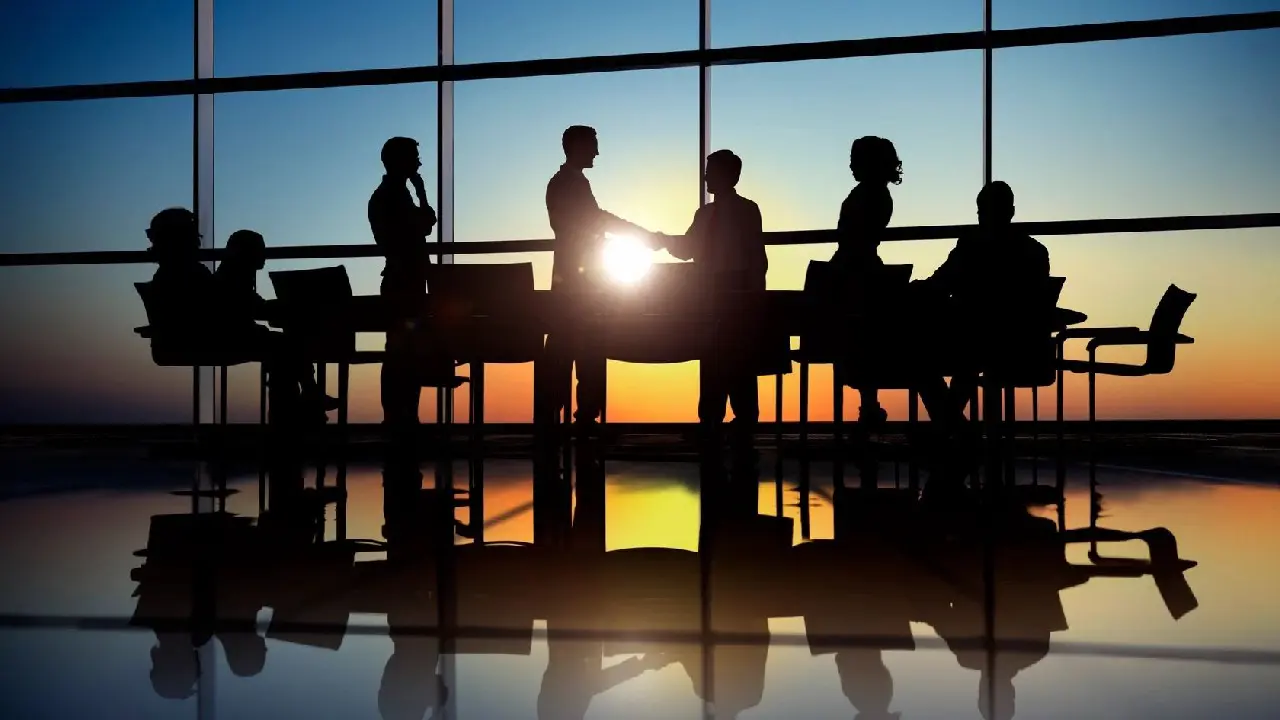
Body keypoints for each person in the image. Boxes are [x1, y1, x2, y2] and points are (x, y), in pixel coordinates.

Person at [539, 125, 655, 429]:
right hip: (579, 283)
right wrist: (643, 235)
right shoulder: (569, 184)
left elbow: (587, 223)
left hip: (573, 279)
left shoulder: (565, 183)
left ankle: (562, 414)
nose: (597, 152)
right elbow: (594, 221)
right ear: (577, 146)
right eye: (593, 145)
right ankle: (582, 416)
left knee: (569, 347)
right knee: (582, 346)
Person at [912, 181, 1051, 425]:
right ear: (1011, 212)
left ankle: (951, 431)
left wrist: (918, 289)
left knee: (920, 359)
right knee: (967, 357)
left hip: (974, 341)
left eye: (982, 212)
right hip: (1022, 347)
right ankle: (951, 432)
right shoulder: (1035, 251)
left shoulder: (970, 247)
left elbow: (941, 283)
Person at [664, 149, 767, 451]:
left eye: (710, 171)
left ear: (728, 175)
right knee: (717, 357)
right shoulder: (710, 213)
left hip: (732, 289)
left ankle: (736, 420)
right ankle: (717, 420)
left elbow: (754, 256)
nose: (706, 176)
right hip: (713, 289)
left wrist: (753, 293)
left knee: (730, 357)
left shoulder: (742, 211)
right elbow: (686, 248)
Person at [368, 136, 456, 428]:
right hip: (403, 281)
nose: (419, 162)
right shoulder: (391, 197)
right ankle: (399, 416)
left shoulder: (389, 195)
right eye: (414, 156)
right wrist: (422, 195)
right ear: (399, 160)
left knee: (402, 349)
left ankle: (400, 416)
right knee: (401, 350)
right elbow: (424, 225)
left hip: (402, 279)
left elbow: (424, 225)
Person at [213, 229, 338, 419]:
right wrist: (290, 306)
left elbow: (254, 306)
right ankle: (303, 401)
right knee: (288, 347)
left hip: (230, 334)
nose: (264, 254)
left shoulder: (231, 274)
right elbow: (255, 307)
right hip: (234, 336)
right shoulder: (235, 277)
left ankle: (301, 403)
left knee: (286, 348)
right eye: (260, 249)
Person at [828, 136, 904, 428]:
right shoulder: (877, 195)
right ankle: (869, 406)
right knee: (861, 341)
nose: (850, 165)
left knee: (857, 338)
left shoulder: (868, 195)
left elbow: (854, 240)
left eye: (855, 159)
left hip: (854, 271)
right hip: (859, 268)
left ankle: (869, 406)